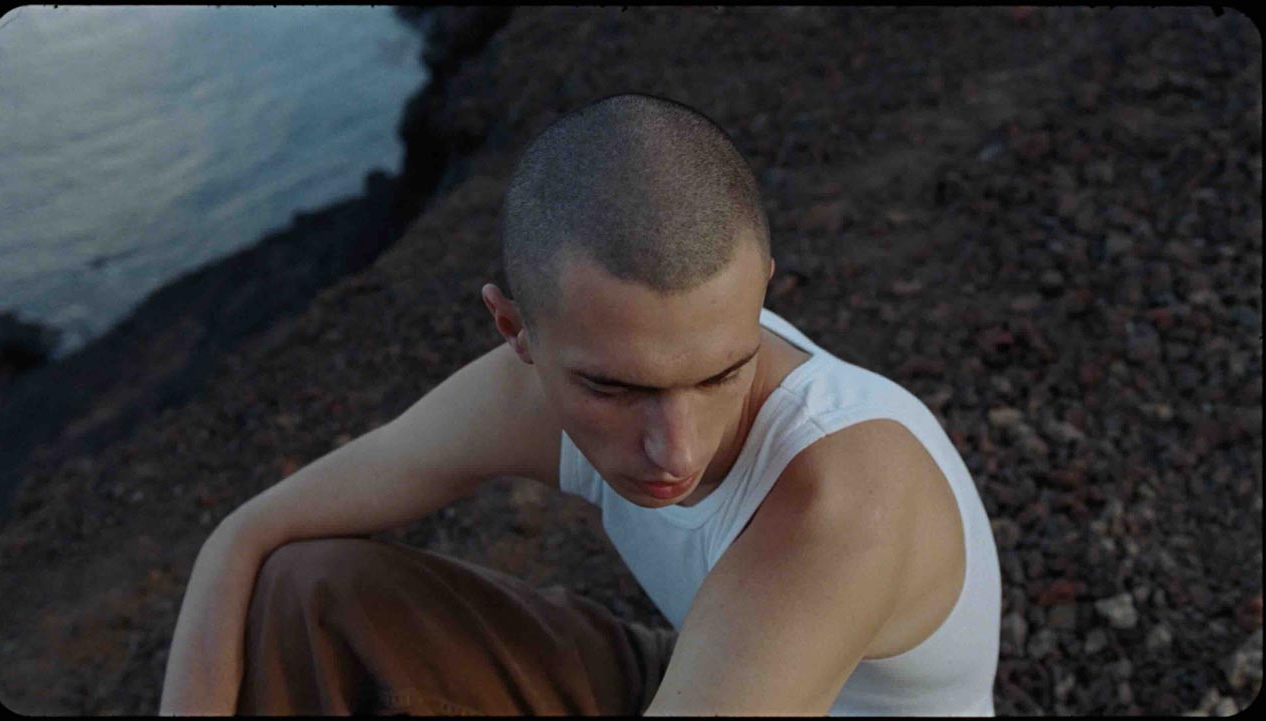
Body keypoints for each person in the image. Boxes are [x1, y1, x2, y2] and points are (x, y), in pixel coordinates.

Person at [159, 92, 1001, 716]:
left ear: (760, 294)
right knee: (310, 591)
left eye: (720, 373)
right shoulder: (529, 390)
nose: (676, 448)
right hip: (699, 673)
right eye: (616, 388)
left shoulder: (842, 496)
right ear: (516, 330)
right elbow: (247, 536)